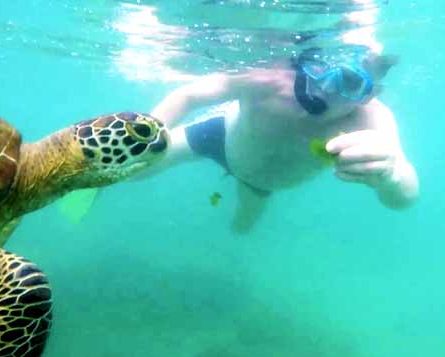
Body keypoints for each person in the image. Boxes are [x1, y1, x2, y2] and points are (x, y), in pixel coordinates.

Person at [150, 52, 419, 233]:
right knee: (137, 164)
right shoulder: (269, 79)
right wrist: (142, 134)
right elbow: (189, 96)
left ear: (370, 94)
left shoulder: (371, 119)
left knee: (243, 225)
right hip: (217, 136)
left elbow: (404, 198)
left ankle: (234, 248)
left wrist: (392, 174)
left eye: (349, 81)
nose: (324, 87)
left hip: (260, 184)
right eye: (321, 67)